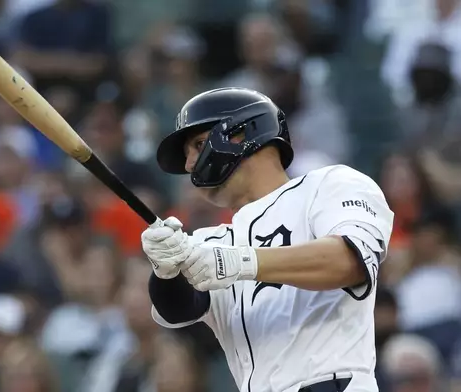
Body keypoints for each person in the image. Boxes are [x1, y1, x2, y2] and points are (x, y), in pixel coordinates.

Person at [141, 87, 394, 392]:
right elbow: (178, 310)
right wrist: (165, 270)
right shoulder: (212, 240)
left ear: (243, 132)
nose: (189, 165)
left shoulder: (328, 185)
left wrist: (241, 261)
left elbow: (350, 261)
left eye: (197, 145)